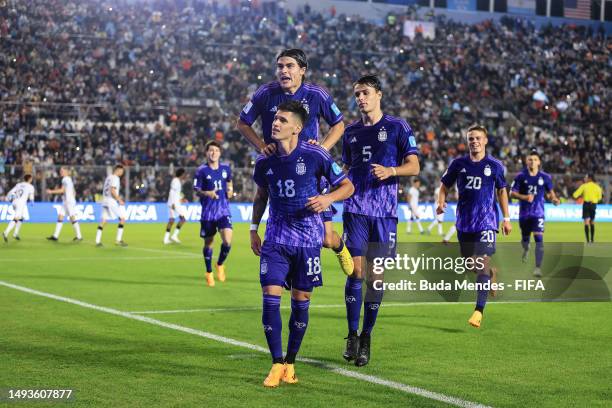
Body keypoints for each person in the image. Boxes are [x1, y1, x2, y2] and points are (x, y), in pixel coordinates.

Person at [250, 100, 354, 387]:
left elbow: (348, 186)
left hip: (308, 240)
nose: (275, 123)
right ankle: (275, 363)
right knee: (270, 299)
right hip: (276, 239)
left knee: (300, 304)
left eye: (283, 120)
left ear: (297, 127)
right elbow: (260, 197)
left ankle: (291, 363)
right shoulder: (264, 160)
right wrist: (252, 229)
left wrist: (328, 199)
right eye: (275, 119)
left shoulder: (315, 155)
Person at [237, 48, 353, 276]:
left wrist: (322, 148)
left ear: (302, 70)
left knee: (326, 239)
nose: (283, 71)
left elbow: (339, 124)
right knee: (284, 235)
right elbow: (242, 123)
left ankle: (339, 247)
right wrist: (262, 146)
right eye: (280, 66)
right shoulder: (265, 93)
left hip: (310, 172)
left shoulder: (317, 94)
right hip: (280, 168)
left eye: (289, 66)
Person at [341, 75, 420, 366]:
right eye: (357, 94)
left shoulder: (398, 127)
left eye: (365, 93)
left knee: (376, 277)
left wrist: (391, 171)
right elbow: (347, 169)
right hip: (356, 209)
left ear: (379, 95)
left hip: (385, 214)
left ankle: (366, 336)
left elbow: (414, 165)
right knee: (355, 273)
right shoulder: (350, 132)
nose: (360, 98)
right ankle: (351, 334)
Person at [437, 124, 511, 329]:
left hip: (486, 222)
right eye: (471, 139)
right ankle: (492, 274)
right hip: (464, 223)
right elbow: (444, 186)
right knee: (472, 265)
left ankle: (478, 311)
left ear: (485, 140)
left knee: (481, 263)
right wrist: (440, 202)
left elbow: (502, 191)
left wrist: (507, 218)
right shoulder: (458, 164)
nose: (474, 142)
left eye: (478, 138)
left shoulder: (495, 165)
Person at [510, 151, 560, 276]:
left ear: (539, 162)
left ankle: (538, 267)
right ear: (527, 161)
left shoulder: (545, 177)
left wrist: (554, 199)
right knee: (525, 239)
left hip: (538, 213)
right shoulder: (520, 176)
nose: (532, 161)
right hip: (524, 214)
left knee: (539, 239)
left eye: (535, 159)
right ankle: (526, 249)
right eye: (530, 159)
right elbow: (512, 193)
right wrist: (525, 197)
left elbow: (550, 193)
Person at [194, 141, 233, 287]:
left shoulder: (225, 168)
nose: (214, 153)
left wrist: (230, 190)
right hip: (208, 213)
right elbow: (196, 189)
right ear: (206, 153)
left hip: (223, 210)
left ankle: (220, 264)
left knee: (227, 241)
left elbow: (229, 182)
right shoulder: (201, 170)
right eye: (211, 150)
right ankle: (209, 272)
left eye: (216, 150)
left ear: (220, 153)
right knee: (209, 242)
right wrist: (207, 193)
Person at [46, 167, 82, 242]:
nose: (60, 172)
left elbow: (62, 190)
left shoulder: (65, 179)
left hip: (68, 201)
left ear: (66, 171)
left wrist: (51, 191)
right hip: (67, 201)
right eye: (60, 171)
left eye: (62, 171)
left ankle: (79, 236)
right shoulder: (69, 179)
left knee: (72, 217)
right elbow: (73, 191)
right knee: (60, 216)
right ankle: (55, 236)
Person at [96, 165, 128, 247]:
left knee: (104, 220)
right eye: (121, 171)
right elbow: (112, 190)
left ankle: (97, 241)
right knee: (122, 218)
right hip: (111, 201)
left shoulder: (109, 177)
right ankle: (118, 240)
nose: (122, 173)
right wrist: (119, 199)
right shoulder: (115, 178)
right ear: (118, 170)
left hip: (105, 200)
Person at [3, 174, 35, 242]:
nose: (31, 180)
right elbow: (31, 196)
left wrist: (8, 198)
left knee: (21, 217)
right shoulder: (30, 186)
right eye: (31, 178)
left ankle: (15, 233)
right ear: (29, 179)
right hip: (21, 203)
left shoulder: (19, 184)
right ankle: (6, 232)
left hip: (14, 202)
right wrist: (32, 201)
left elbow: (11, 192)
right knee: (17, 218)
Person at [572, 174, 603, 243]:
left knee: (586, 222)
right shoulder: (597, 187)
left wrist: (582, 194)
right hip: (593, 205)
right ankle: (592, 239)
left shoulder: (584, 186)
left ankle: (587, 240)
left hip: (586, 204)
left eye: (586, 177)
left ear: (590, 178)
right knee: (592, 221)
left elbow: (575, 195)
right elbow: (600, 198)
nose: (584, 179)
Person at [164, 168, 188, 244]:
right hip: (174, 204)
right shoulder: (176, 181)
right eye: (184, 174)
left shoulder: (177, 181)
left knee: (172, 220)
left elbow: (177, 193)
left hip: (175, 203)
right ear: (181, 174)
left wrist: (182, 198)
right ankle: (172, 236)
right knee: (182, 219)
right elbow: (172, 192)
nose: (185, 175)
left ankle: (167, 238)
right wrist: (173, 203)